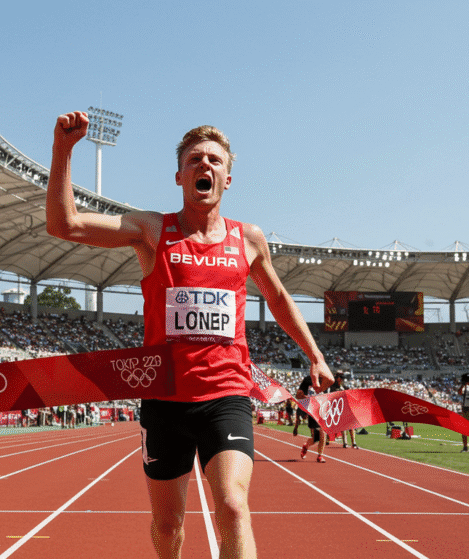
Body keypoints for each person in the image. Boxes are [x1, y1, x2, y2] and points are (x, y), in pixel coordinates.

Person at [47, 111, 334, 559]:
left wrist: (314, 354)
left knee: (234, 508)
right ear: (180, 176)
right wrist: (63, 150)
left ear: (228, 178)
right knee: (168, 527)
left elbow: (277, 299)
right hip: (164, 399)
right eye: (195, 159)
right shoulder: (153, 230)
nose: (205, 165)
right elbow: (65, 224)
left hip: (227, 395)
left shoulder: (249, 239)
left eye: (215, 160)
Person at [296, 374, 328, 463]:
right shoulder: (307, 380)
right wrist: (306, 397)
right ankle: (311, 449)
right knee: (318, 436)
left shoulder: (327, 379)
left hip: (323, 410)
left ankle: (317, 454)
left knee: (321, 435)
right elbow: (298, 396)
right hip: (312, 411)